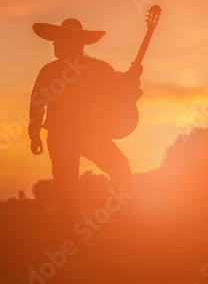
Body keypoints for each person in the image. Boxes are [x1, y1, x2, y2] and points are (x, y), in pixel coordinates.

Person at [28, 18, 142, 228]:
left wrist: (133, 78)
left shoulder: (93, 69)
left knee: (112, 169)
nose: (53, 44)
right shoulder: (59, 71)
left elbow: (121, 90)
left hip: (84, 134)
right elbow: (37, 104)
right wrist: (34, 134)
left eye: (58, 40)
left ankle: (123, 218)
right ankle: (77, 229)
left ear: (73, 42)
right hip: (73, 135)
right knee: (68, 184)